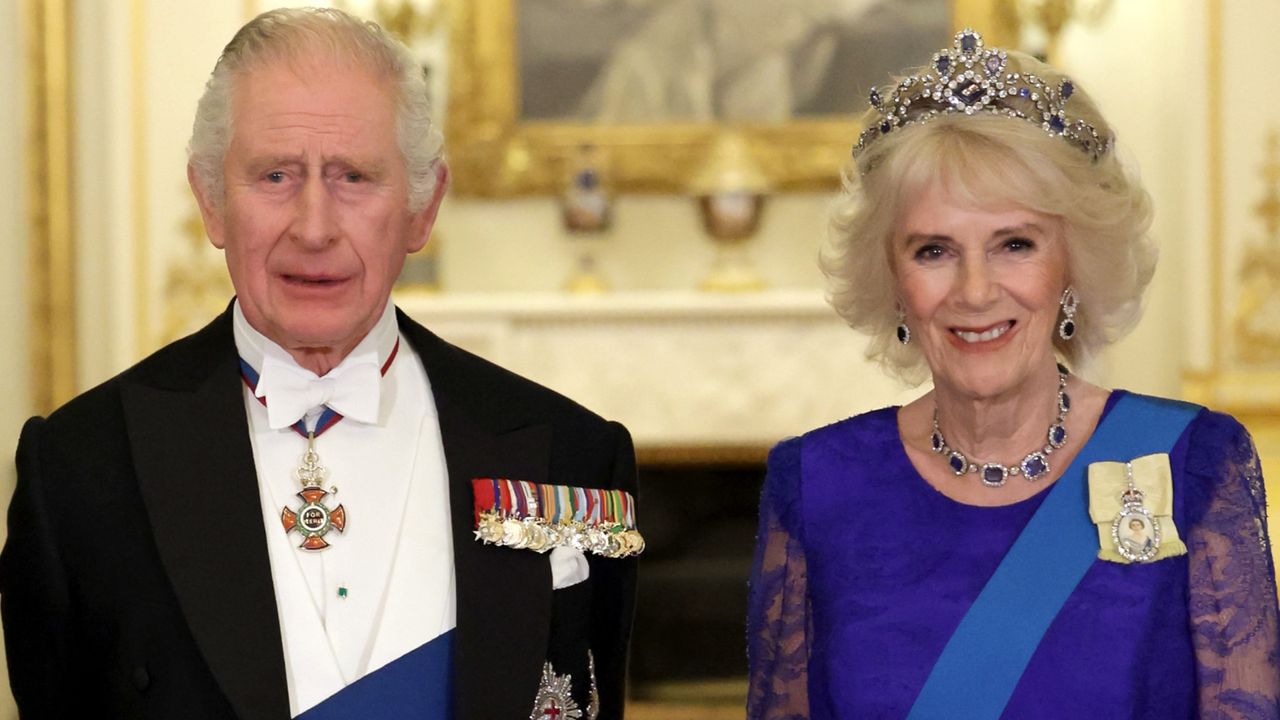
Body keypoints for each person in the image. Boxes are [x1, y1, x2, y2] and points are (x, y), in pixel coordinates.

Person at [1, 8, 639, 719]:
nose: (313, 226)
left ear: (422, 209)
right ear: (211, 201)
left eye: (354, 177)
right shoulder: (78, 473)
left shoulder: (571, 457)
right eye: (274, 175)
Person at [747, 28, 1279, 719]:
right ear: (893, 278)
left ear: (1074, 264)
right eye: (934, 249)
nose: (975, 292)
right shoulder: (814, 486)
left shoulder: (1196, 464)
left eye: (1015, 245)